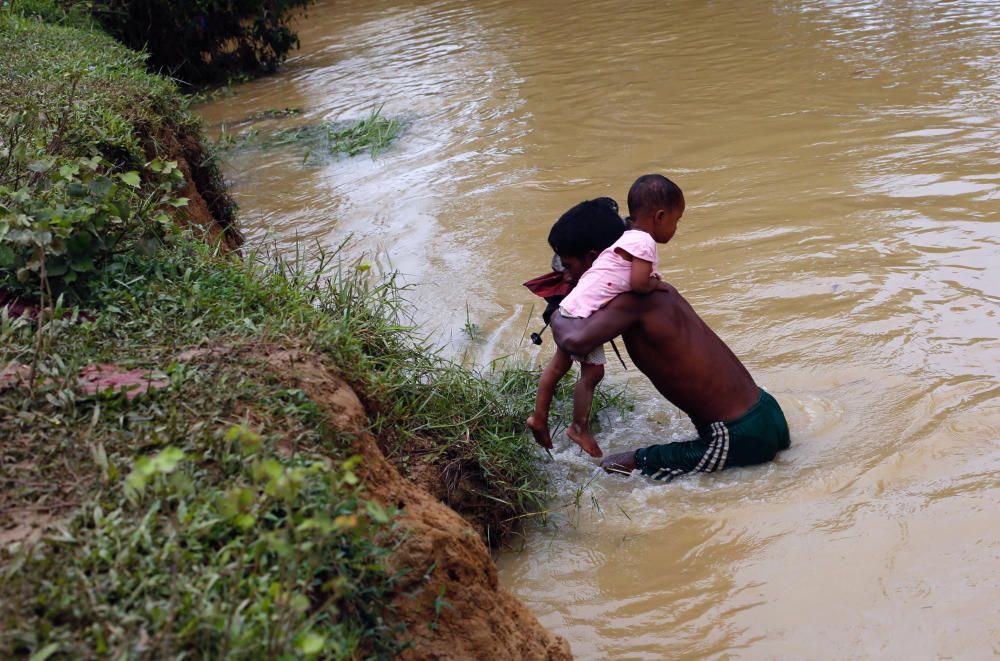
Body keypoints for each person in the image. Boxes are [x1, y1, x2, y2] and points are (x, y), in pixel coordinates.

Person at [549, 174, 790, 480]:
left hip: (735, 436)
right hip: (766, 411)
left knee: (611, 468)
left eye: (568, 268)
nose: (567, 278)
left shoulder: (631, 300)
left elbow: (575, 341)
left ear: (596, 259)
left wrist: (558, 309)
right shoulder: (655, 287)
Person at [526, 197, 626, 458]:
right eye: (565, 267)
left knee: (561, 366)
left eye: (569, 266)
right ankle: (577, 427)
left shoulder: (590, 256)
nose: (566, 274)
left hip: (570, 314)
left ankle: (539, 417)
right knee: (592, 373)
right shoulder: (598, 265)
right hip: (577, 317)